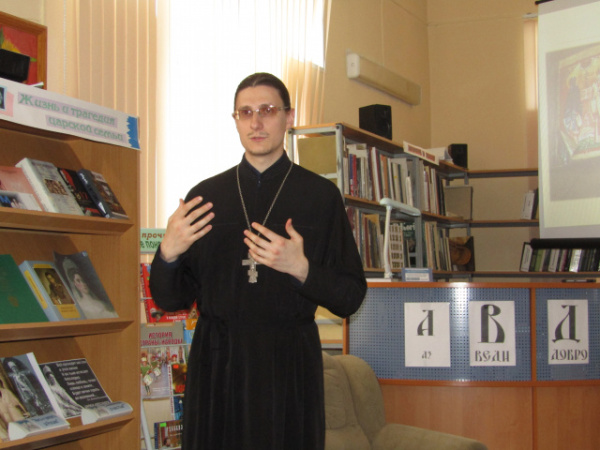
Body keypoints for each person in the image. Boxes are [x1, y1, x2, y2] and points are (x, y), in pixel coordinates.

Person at [150, 72, 366, 449]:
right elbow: (170, 299)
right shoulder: (205, 197)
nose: (256, 122)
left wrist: (301, 269)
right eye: (245, 112)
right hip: (217, 362)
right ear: (235, 120)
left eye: (267, 110)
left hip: (288, 365)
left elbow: (350, 297)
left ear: (289, 117)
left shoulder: (320, 197)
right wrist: (168, 252)